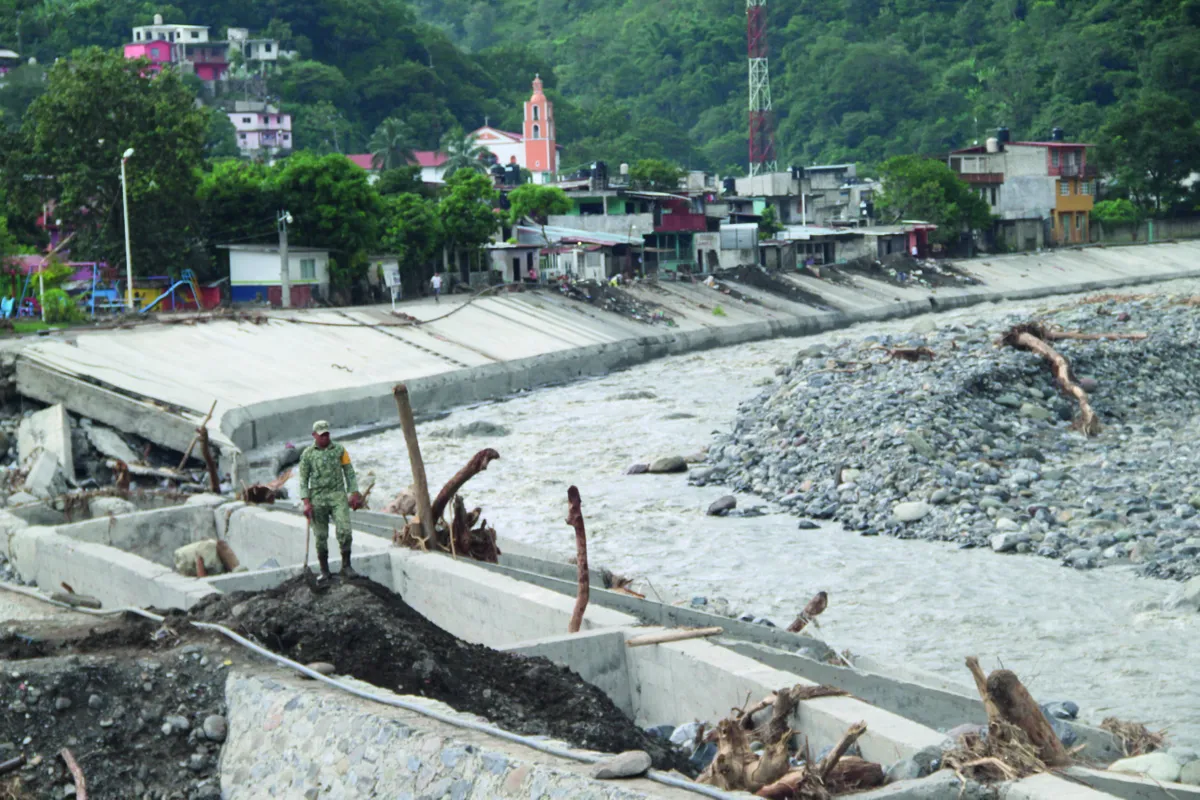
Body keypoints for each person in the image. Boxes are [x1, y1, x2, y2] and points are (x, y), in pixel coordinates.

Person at [299, 420, 364, 580]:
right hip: (317, 499)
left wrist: (354, 493)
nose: (324, 438)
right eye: (321, 435)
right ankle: (324, 570)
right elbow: (303, 479)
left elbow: (349, 472)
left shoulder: (340, 450)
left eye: (327, 434)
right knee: (321, 536)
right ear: (314, 435)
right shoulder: (307, 454)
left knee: (345, 531)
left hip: (337, 496)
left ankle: (346, 566)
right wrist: (306, 502)